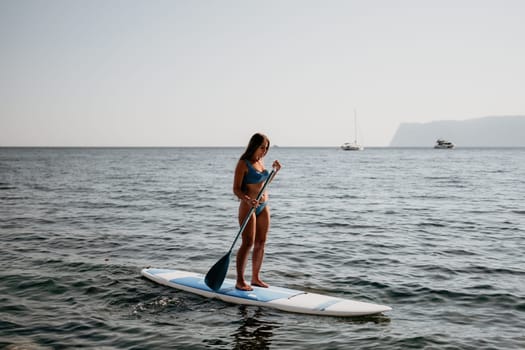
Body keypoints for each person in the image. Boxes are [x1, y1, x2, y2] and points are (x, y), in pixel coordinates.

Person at [233, 133, 281, 291]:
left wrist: (275, 171)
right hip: (248, 206)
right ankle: (240, 281)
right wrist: (247, 199)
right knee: (248, 243)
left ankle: (255, 278)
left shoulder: (261, 161)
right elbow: (236, 189)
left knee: (261, 242)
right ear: (254, 145)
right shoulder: (243, 163)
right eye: (262, 147)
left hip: (263, 205)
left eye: (267, 148)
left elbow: (263, 183)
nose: (265, 151)